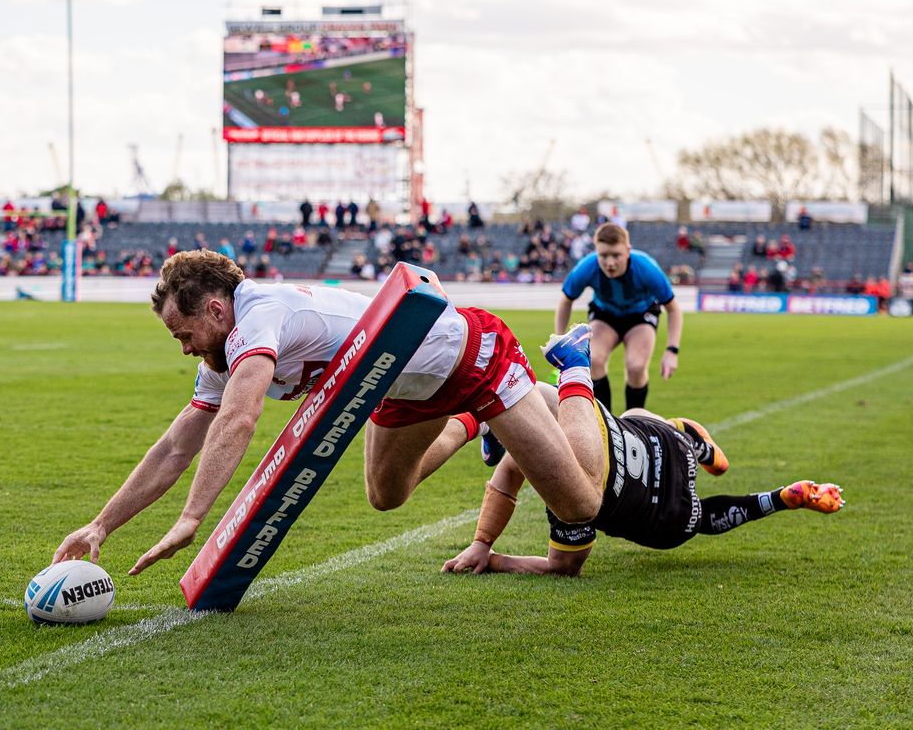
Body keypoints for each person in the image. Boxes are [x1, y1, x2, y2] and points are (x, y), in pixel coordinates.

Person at [53, 251, 610, 574]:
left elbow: (240, 420)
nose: (185, 348)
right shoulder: (224, 348)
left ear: (217, 309)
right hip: (398, 386)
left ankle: (573, 368)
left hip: (472, 358)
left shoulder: (260, 315)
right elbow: (176, 444)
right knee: (387, 495)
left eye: (184, 333)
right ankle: (472, 425)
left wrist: (192, 518)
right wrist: (101, 526)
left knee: (582, 505)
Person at [443, 373, 843, 578]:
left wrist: (488, 553)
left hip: (668, 520)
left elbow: (563, 568)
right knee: (632, 415)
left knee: (696, 518)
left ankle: (773, 498)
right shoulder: (561, 407)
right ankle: (695, 442)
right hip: (665, 444)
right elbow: (507, 474)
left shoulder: (561, 492)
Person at [554, 223, 681, 413]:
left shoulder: (646, 267)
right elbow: (566, 301)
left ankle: (635, 422)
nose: (610, 263)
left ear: (628, 251)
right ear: (596, 251)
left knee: (636, 366)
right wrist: (561, 343)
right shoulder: (588, 266)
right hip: (605, 315)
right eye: (604, 255)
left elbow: (673, 309)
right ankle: (605, 423)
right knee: (593, 360)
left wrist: (672, 350)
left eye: (616, 255)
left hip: (641, 315)